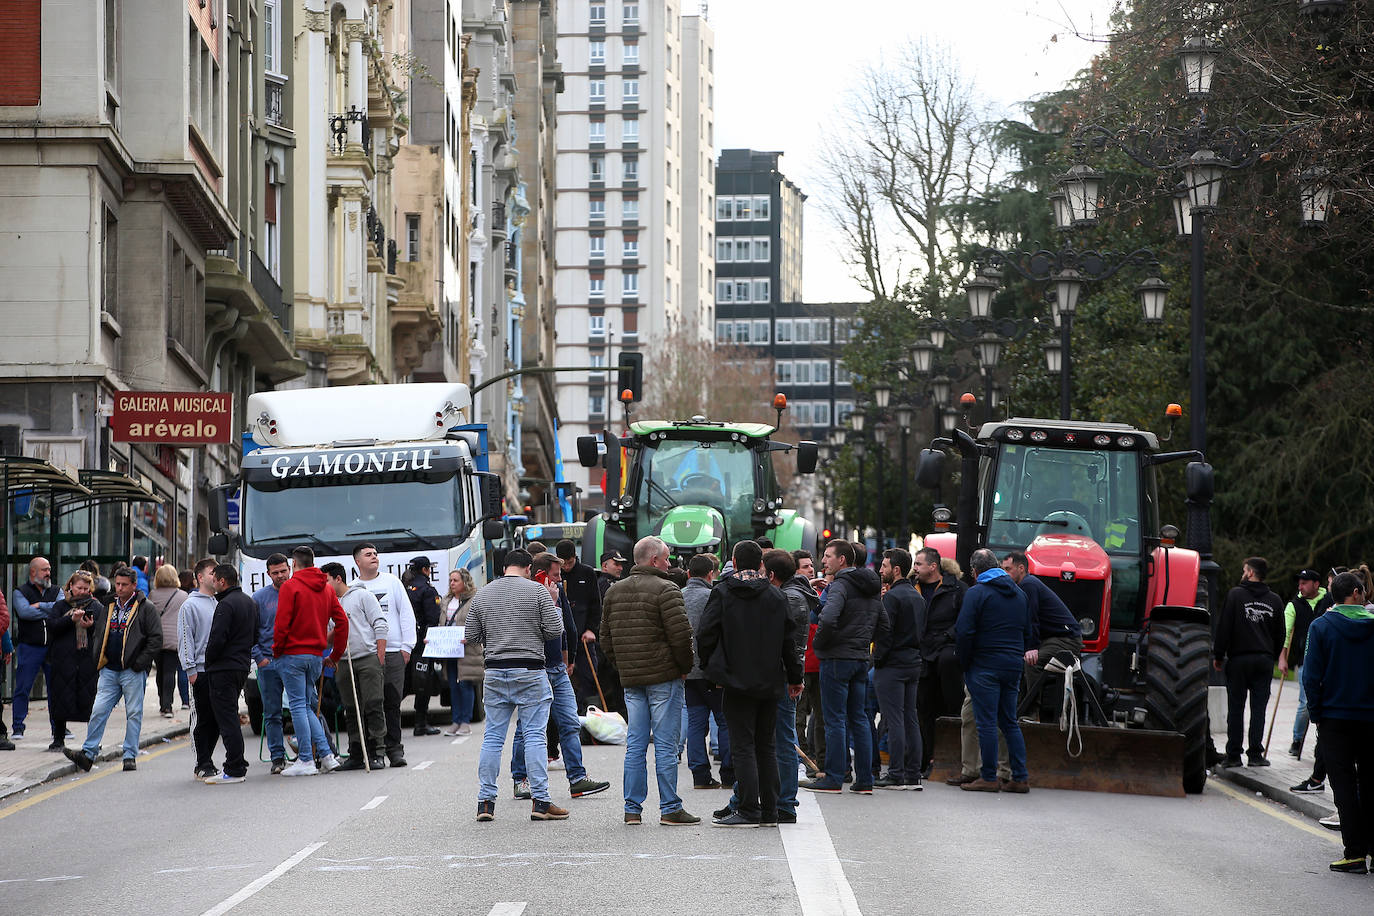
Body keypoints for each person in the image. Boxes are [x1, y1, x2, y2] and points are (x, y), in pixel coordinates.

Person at [698, 540, 803, 827]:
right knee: (766, 746)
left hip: (735, 679)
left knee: (743, 745)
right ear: (761, 564)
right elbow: (789, 642)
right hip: (770, 679)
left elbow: (706, 634)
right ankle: (770, 810)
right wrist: (795, 677)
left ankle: (747, 808)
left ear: (733, 561)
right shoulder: (776, 595)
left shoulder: (723, 592)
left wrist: (711, 668)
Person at [600, 536, 699, 826]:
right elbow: (681, 636)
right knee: (666, 745)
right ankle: (670, 807)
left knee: (636, 744)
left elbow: (605, 639)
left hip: (632, 679)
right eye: (666, 559)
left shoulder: (614, 591)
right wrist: (684, 668)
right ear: (654, 560)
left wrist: (623, 665)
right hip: (664, 677)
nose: (669, 564)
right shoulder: (667, 589)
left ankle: (632, 808)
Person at [468, 549, 569, 823]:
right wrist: (554, 603)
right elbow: (554, 631)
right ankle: (541, 801)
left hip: (495, 670)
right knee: (535, 735)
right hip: (530, 670)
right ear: (528, 569)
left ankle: (485, 802)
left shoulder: (483, 594)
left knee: (493, 737)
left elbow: (471, 636)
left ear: (504, 568)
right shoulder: (537, 592)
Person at [511, 555, 611, 801]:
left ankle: (577, 779)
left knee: (570, 722)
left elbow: (565, 627)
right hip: (536, 668)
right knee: (527, 727)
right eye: (555, 574)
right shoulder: (528, 593)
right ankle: (521, 779)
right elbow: (539, 630)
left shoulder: (556, 591)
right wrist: (549, 601)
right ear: (540, 574)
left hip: (557, 667)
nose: (559, 578)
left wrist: (568, 659)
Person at [1300, 571, 1374, 873]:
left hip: (1334, 718)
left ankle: (1354, 853)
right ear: (1356, 593)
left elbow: (1310, 676)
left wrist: (1316, 714)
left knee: (1343, 786)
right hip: (1370, 717)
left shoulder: (1320, 627)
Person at [801, 539, 883, 795]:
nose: (823, 561)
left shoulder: (840, 585)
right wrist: (863, 642)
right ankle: (865, 780)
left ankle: (834, 777)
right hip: (859, 658)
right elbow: (884, 624)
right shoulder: (871, 587)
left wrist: (821, 645)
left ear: (842, 559)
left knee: (834, 719)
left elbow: (828, 619)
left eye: (828, 556)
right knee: (859, 718)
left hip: (836, 658)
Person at [64, 567, 162, 773]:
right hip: (109, 669)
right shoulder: (108, 605)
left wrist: (140, 663)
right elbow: (101, 631)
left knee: (133, 713)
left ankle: (129, 756)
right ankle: (88, 754)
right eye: (117, 584)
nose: (119, 588)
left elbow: (155, 639)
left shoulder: (146, 607)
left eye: (124, 585)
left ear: (134, 585)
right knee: (98, 710)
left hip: (132, 671)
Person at [954, 549, 1032, 794]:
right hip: (1012, 665)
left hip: (984, 664)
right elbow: (1027, 630)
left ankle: (988, 776)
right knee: (1009, 721)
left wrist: (965, 663)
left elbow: (964, 631)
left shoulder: (977, 593)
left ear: (975, 571)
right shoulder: (1019, 594)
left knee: (986, 723)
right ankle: (1020, 777)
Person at [274, 545, 349, 777]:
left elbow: (282, 624)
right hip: (316, 655)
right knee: (306, 706)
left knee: (298, 706)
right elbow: (342, 622)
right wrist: (335, 655)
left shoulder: (290, 586)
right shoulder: (326, 588)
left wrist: (277, 651)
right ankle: (326, 755)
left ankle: (306, 758)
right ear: (313, 562)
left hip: (292, 654)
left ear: (294, 564)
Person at [1214, 556, 1285, 768]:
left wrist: (1218, 655)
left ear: (1251, 572)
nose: (1243, 573)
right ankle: (1255, 755)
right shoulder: (1275, 600)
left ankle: (1234, 755)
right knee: (1258, 709)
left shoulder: (1235, 595)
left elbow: (1224, 627)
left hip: (1239, 659)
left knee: (1236, 708)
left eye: (1245, 570)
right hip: (1263, 660)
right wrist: (1271, 655)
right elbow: (1280, 634)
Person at [352, 543, 416, 767]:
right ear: (357, 561)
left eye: (375, 554)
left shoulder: (392, 582)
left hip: (393, 652)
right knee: (371, 704)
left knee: (392, 702)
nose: (374, 557)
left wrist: (407, 647)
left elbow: (406, 613)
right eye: (368, 555)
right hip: (367, 655)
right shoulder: (354, 588)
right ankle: (372, 752)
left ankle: (394, 750)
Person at [324, 562, 389, 772]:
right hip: (344, 660)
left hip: (367, 657)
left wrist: (379, 656)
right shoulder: (329, 603)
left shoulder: (363, 596)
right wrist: (339, 627)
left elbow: (380, 623)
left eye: (326, 580)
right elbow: (329, 638)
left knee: (373, 704)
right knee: (351, 708)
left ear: (338, 579)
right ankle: (356, 753)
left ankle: (378, 752)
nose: (324, 585)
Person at [200, 565, 258, 785]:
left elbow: (217, 639)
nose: (213, 582)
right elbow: (255, 636)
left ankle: (234, 767)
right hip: (241, 665)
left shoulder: (225, 605)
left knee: (227, 719)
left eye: (215, 579)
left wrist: (209, 661)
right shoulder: (249, 602)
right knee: (230, 715)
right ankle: (236, 764)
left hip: (223, 668)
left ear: (222, 581)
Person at [873, 548, 925, 790]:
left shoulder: (892, 597)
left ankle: (895, 773)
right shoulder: (917, 596)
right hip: (913, 661)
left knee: (893, 719)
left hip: (892, 663)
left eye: (884, 566)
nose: (880, 570)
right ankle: (912, 773)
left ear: (896, 569)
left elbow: (885, 633)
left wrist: (878, 659)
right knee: (910, 717)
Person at [912, 547, 967, 776]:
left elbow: (964, 621)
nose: (915, 568)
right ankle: (925, 760)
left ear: (933, 567)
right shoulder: (911, 588)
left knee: (949, 707)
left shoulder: (957, 589)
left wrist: (947, 637)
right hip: (922, 656)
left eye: (918, 564)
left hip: (946, 657)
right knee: (923, 709)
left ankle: (949, 758)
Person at [682, 553, 732, 790]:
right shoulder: (713, 596)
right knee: (724, 721)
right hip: (712, 670)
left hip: (687, 670)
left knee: (695, 722)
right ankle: (729, 773)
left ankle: (699, 775)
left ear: (688, 573)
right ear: (711, 574)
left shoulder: (678, 595)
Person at [1282, 569, 1333, 759]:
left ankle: (1323, 742)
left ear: (1316, 584)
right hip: (1306, 660)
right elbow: (1286, 632)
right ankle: (1297, 740)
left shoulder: (1328, 600)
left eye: (1304, 583)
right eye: (1299, 583)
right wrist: (1283, 658)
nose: (1300, 587)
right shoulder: (1294, 605)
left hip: (1328, 660)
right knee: (1305, 703)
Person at [47, 571, 99, 753]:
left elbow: (103, 631)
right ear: (70, 586)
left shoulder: (96, 606)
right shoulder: (60, 606)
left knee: (90, 700)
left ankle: (92, 741)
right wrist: (71, 620)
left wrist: (90, 626)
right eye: (79, 588)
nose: (82, 592)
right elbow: (52, 626)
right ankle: (58, 738)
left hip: (87, 660)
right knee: (60, 698)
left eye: (86, 588)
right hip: (63, 660)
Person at [180, 559, 222, 781]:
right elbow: (185, 638)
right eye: (212, 572)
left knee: (217, 718)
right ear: (200, 577)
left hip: (218, 670)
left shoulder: (218, 602)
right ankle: (202, 762)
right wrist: (191, 670)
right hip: (200, 671)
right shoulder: (190, 605)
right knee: (202, 718)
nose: (216, 576)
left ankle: (208, 759)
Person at [251, 553, 292, 774]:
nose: (280, 575)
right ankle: (277, 757)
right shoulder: (258, 598)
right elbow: (249, 632)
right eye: (275, 572)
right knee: (272, 713)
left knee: (303, 708)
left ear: (290, 569)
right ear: (268, 574)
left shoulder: (299, 593)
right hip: (268, 663)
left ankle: (310, 752)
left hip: (294, 660)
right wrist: (259, 658)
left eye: (283, 571)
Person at [11, 556, 60, 742]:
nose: (48, 573)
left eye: (49, 569)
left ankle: (58, 728)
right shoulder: (20, 592)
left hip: (53, 647)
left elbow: (61, 609)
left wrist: (40, 605)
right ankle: (18, 727)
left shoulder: (56, 591)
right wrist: (49, 610)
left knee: (56, 689)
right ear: (33, 572)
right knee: (23, 688)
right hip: (30, 647)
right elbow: (24, 612)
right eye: (44, 570)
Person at [438, 568, 482, 736]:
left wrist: (470, 636)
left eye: (455, 580)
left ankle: (465, 721)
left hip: (467, 650)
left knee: (465, 684)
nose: (452, 583)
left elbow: (480, 623)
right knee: (453, 685)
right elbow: (442, 623)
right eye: (450, 580)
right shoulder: (446, 600)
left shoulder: (474, 600)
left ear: (465, 581)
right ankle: (455, 721)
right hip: (450, 649)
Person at [403, 556, 443, 737]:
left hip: (405, 643)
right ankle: (421, 723)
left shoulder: (405, 588)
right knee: (422, 682)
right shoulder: (427, 590)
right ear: (426, 570)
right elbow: (433, 619)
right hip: (423, 644)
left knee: (403, 682)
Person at [147, 564, 188, 718]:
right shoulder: (183, 595)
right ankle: (167, 706)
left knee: (160, 671)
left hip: (156, 639)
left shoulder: (153, 594)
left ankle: (162, 703)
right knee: (170, 672)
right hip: (174, 639)